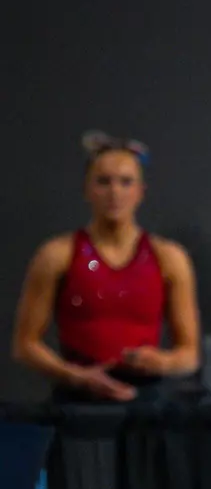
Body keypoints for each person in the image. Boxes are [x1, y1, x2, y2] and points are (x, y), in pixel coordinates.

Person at [12, 132, 200, 401]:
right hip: (77, 404)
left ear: (140, 192)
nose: (115, 192)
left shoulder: (169, 258)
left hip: (143, 404)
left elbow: (189, 355)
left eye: (125, 182)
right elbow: (25, 345)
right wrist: (75, 376)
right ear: (87, 189)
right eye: (103, 182)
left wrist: (162, 362)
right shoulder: (57, 255)